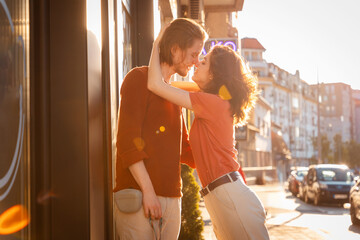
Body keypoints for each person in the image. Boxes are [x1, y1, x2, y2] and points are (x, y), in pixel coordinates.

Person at [148, 28, 270, 240]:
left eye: (203, 62)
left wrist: (158, 42)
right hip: (220, 196)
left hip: (229, 195)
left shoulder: (212, 103)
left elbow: (155, 85)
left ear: (214, 74)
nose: (196, 63)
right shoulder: (210, 99)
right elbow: (169, 85)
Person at [113, 18, 207, 240]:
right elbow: (128, 143)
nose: (196, 62)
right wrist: (148, 192)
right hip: (139, 198)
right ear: (175, 49)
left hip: (172, 200)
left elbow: (185, 150)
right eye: (194, 54)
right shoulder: (137, 79)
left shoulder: (172, 93)